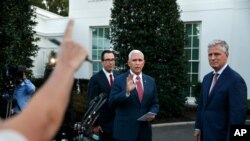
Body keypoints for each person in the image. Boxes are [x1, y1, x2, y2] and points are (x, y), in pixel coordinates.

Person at [0, 20, 88, 141]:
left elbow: (32, 89)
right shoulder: (12, 86)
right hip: (16, 115)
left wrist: (24, 79)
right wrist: (67, 67)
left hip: (25, 115)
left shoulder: (26, 85)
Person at [193, 40, 247, 141]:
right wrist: (198, 127)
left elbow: (238, 117)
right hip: (205, 135)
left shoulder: (236, 80)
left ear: (226, 55)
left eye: (217, 54)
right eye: (210, 55)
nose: (212, 58)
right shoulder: (207, 78)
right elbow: (202, 105)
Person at [109, 49, 159, 141]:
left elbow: (155, 103)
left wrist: (153, 113)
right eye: (134, 60)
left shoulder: (151, 81)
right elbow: (111, 102)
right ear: (129, 63)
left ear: (144, 63)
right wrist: (126, 92)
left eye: (140, 60)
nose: (137, 63)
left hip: (144, 132)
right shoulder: (119, 80)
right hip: (125, 132)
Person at [87, 50, 118, 141]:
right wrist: (95, 124)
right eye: (107, 60)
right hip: (103, 125)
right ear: (102, 62)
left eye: (112, 59)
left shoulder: (119, 76)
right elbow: (91, 103)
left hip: (118, 123)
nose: (111, 62)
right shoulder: (95, 79)